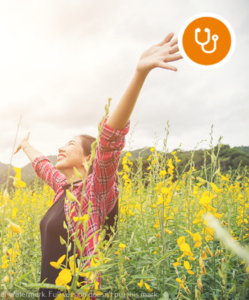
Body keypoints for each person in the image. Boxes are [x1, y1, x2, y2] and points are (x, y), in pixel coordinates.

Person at [14, 32, 182, 299]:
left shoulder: (95, 194)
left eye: (69, 144)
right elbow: (42, 165)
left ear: (87, 158)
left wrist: (139, 73)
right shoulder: (64, 190)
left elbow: (109, 143)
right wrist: (25, 145)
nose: (60, 147)